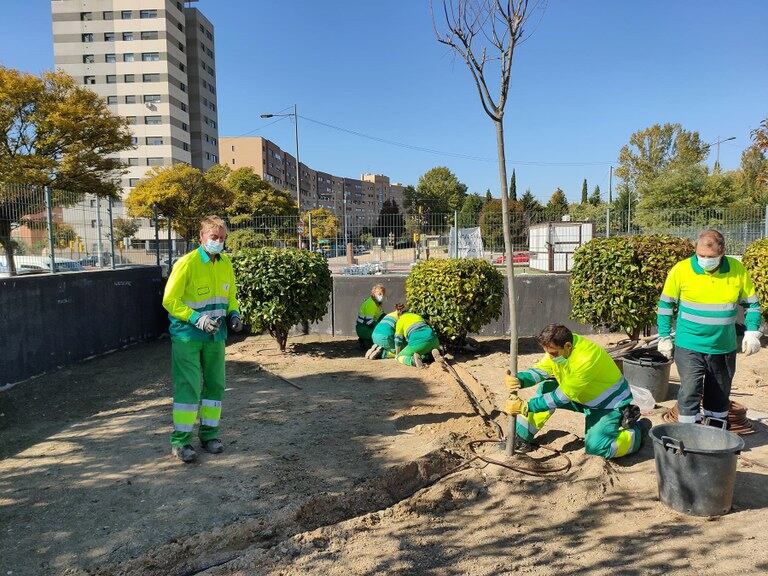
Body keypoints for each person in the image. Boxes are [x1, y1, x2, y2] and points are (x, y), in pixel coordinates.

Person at [656, 229, 762, 424]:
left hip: (723, 347)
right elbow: (665, 306)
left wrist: (753, 332)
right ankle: (689, 439)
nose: (704, 260)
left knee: (719, 396)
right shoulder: (681, 270)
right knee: (689, 391)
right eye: (701, 255)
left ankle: (714, 436)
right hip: (689, 345)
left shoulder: (737, 270)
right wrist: (664, 337)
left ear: (722, 252)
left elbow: (752, 305)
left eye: (710, 257)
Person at [162, 215, 243, 463]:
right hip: (188, 336)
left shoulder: (225, 263)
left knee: (216, 385)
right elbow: (170, 300)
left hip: (216, 336)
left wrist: (234, 313)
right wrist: (196, 318)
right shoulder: (187, 263)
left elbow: (231, 296)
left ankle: (209, 435)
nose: (218, 242)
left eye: (221, 238)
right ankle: (181, 442)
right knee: (188, 386)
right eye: (213, 237)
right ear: (201, 237)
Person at [506, 324, 649, 458]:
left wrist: (526, 407)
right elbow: (541, 369)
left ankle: (636, 434)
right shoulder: (559, 345)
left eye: (553, 354)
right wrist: (520, 380)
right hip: (583, 396)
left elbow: (561, 396)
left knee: (596, 448)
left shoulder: (586, 358)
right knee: (545, 389)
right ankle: (521, 437)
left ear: (568, 346)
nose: (550, 357)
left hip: (607, 404)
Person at [356, 284, 386, 350]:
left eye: (383, 294)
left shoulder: (377, 303)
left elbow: (382, 315)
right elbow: (369, 322)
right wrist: (381, 327)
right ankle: (364, 341)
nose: (381, 296)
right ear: (373, 293)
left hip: (365, 328)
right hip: (364, 328)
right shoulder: (371, 304)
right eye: (379, 294)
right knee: (381, 338)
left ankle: (364, 340)